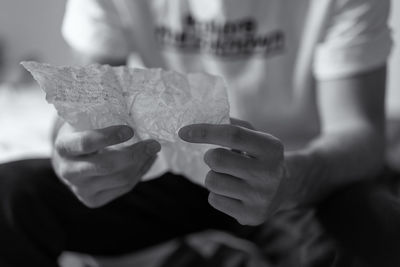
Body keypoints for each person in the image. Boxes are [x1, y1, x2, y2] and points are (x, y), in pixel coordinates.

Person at [0, 0, 394, 266]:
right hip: (161, 166)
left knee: (377, 229)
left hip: (295, 177)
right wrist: (72, 155)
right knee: (11, 195)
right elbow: (84, 102)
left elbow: (360, 132)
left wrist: (292, 177)